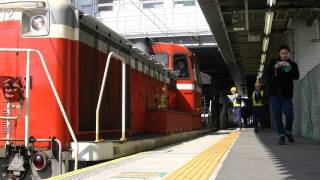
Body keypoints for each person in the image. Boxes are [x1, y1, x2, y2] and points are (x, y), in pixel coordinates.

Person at [264, 45, 299, 145]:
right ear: (279, 54)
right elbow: (267, 78)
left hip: (287, 94)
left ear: (289, 54)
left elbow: (296, 76)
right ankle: (281, 135)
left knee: (289, 113)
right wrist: (275, 69)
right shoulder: (273, 63)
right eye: (282, 53)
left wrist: (289, 68)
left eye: (286, 53)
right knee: (277, 116)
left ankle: (288, 131)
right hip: (274, 94)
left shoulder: (293, 64)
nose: (284, 55)